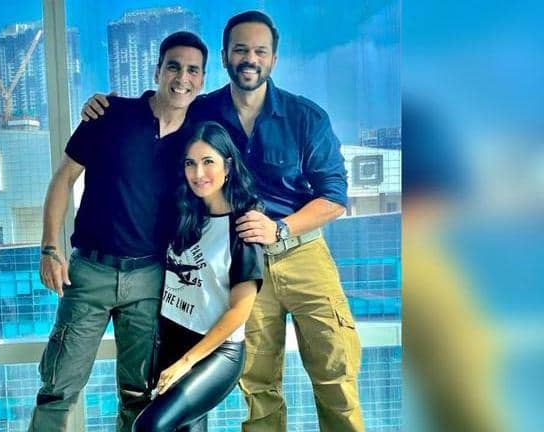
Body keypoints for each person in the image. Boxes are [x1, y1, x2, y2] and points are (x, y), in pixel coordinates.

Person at [82, 11, 364, 431]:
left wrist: (280, 228)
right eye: (240, 50)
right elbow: (160, 114)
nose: (250, 58)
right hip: (236, 266)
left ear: (273, 58)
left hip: (300, 254)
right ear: (225, 56)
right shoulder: (202, 112)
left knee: (335, 373)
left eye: (260, 51)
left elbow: (335, 198)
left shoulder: (305, 117)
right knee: (259, 388)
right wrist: (104, 108)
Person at [29, 31, 207, 432]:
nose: (182, 78)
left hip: (150, 279)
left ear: (201, 79)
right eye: (174, 67)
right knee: (58, 387)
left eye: (192, 70)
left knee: (139, 394)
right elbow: (64, 178)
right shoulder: (109, 114)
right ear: (157, 71)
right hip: (89, 274)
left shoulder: (198, 138)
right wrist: (50, 248)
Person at [133, 121, 263, 432]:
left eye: (208, 162)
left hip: (216, 351)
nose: (198, 173)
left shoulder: (244, 227)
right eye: (190, 163)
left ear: (227, 167)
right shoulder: (185, 214)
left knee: (150, 426)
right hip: (172, 339)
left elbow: (240, 311)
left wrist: (186, 362)